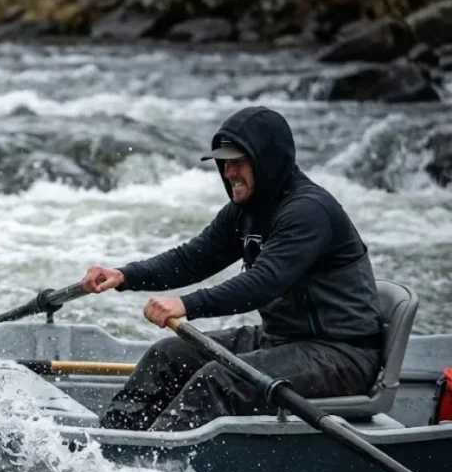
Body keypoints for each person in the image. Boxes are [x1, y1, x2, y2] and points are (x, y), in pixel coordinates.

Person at [80, 106, 383, 432]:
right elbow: (191, 259)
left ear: (267, 160)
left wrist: (186, 304)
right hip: (280, 341)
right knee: (168, 356)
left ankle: (154, 462)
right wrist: (125, 275)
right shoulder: (246, 210)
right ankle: (112, 445)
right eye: (223, 162)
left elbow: (264, 282)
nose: (228, 172)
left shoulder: (309, 211)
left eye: (238, 161)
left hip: (340, 357)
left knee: (219, 379)